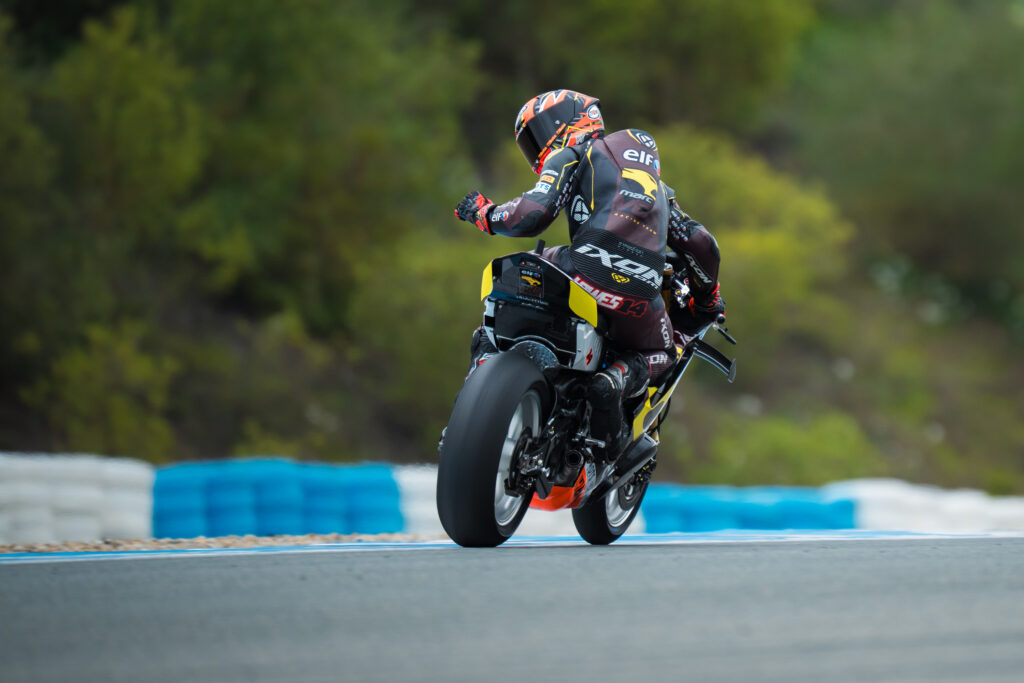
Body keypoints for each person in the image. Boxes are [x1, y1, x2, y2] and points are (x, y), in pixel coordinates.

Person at [454, 89, 724, 458]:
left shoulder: (575, 153)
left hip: (581, 267)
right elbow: (702, 244)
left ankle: (473, 396)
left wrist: (484, 213)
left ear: (574, 120)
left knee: (504, 291)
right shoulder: (659, 191)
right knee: (664, 352)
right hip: (639, 291)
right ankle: (615, 379)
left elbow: (533, 214)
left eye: (541, 132)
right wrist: (708, 298)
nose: (538, 148)